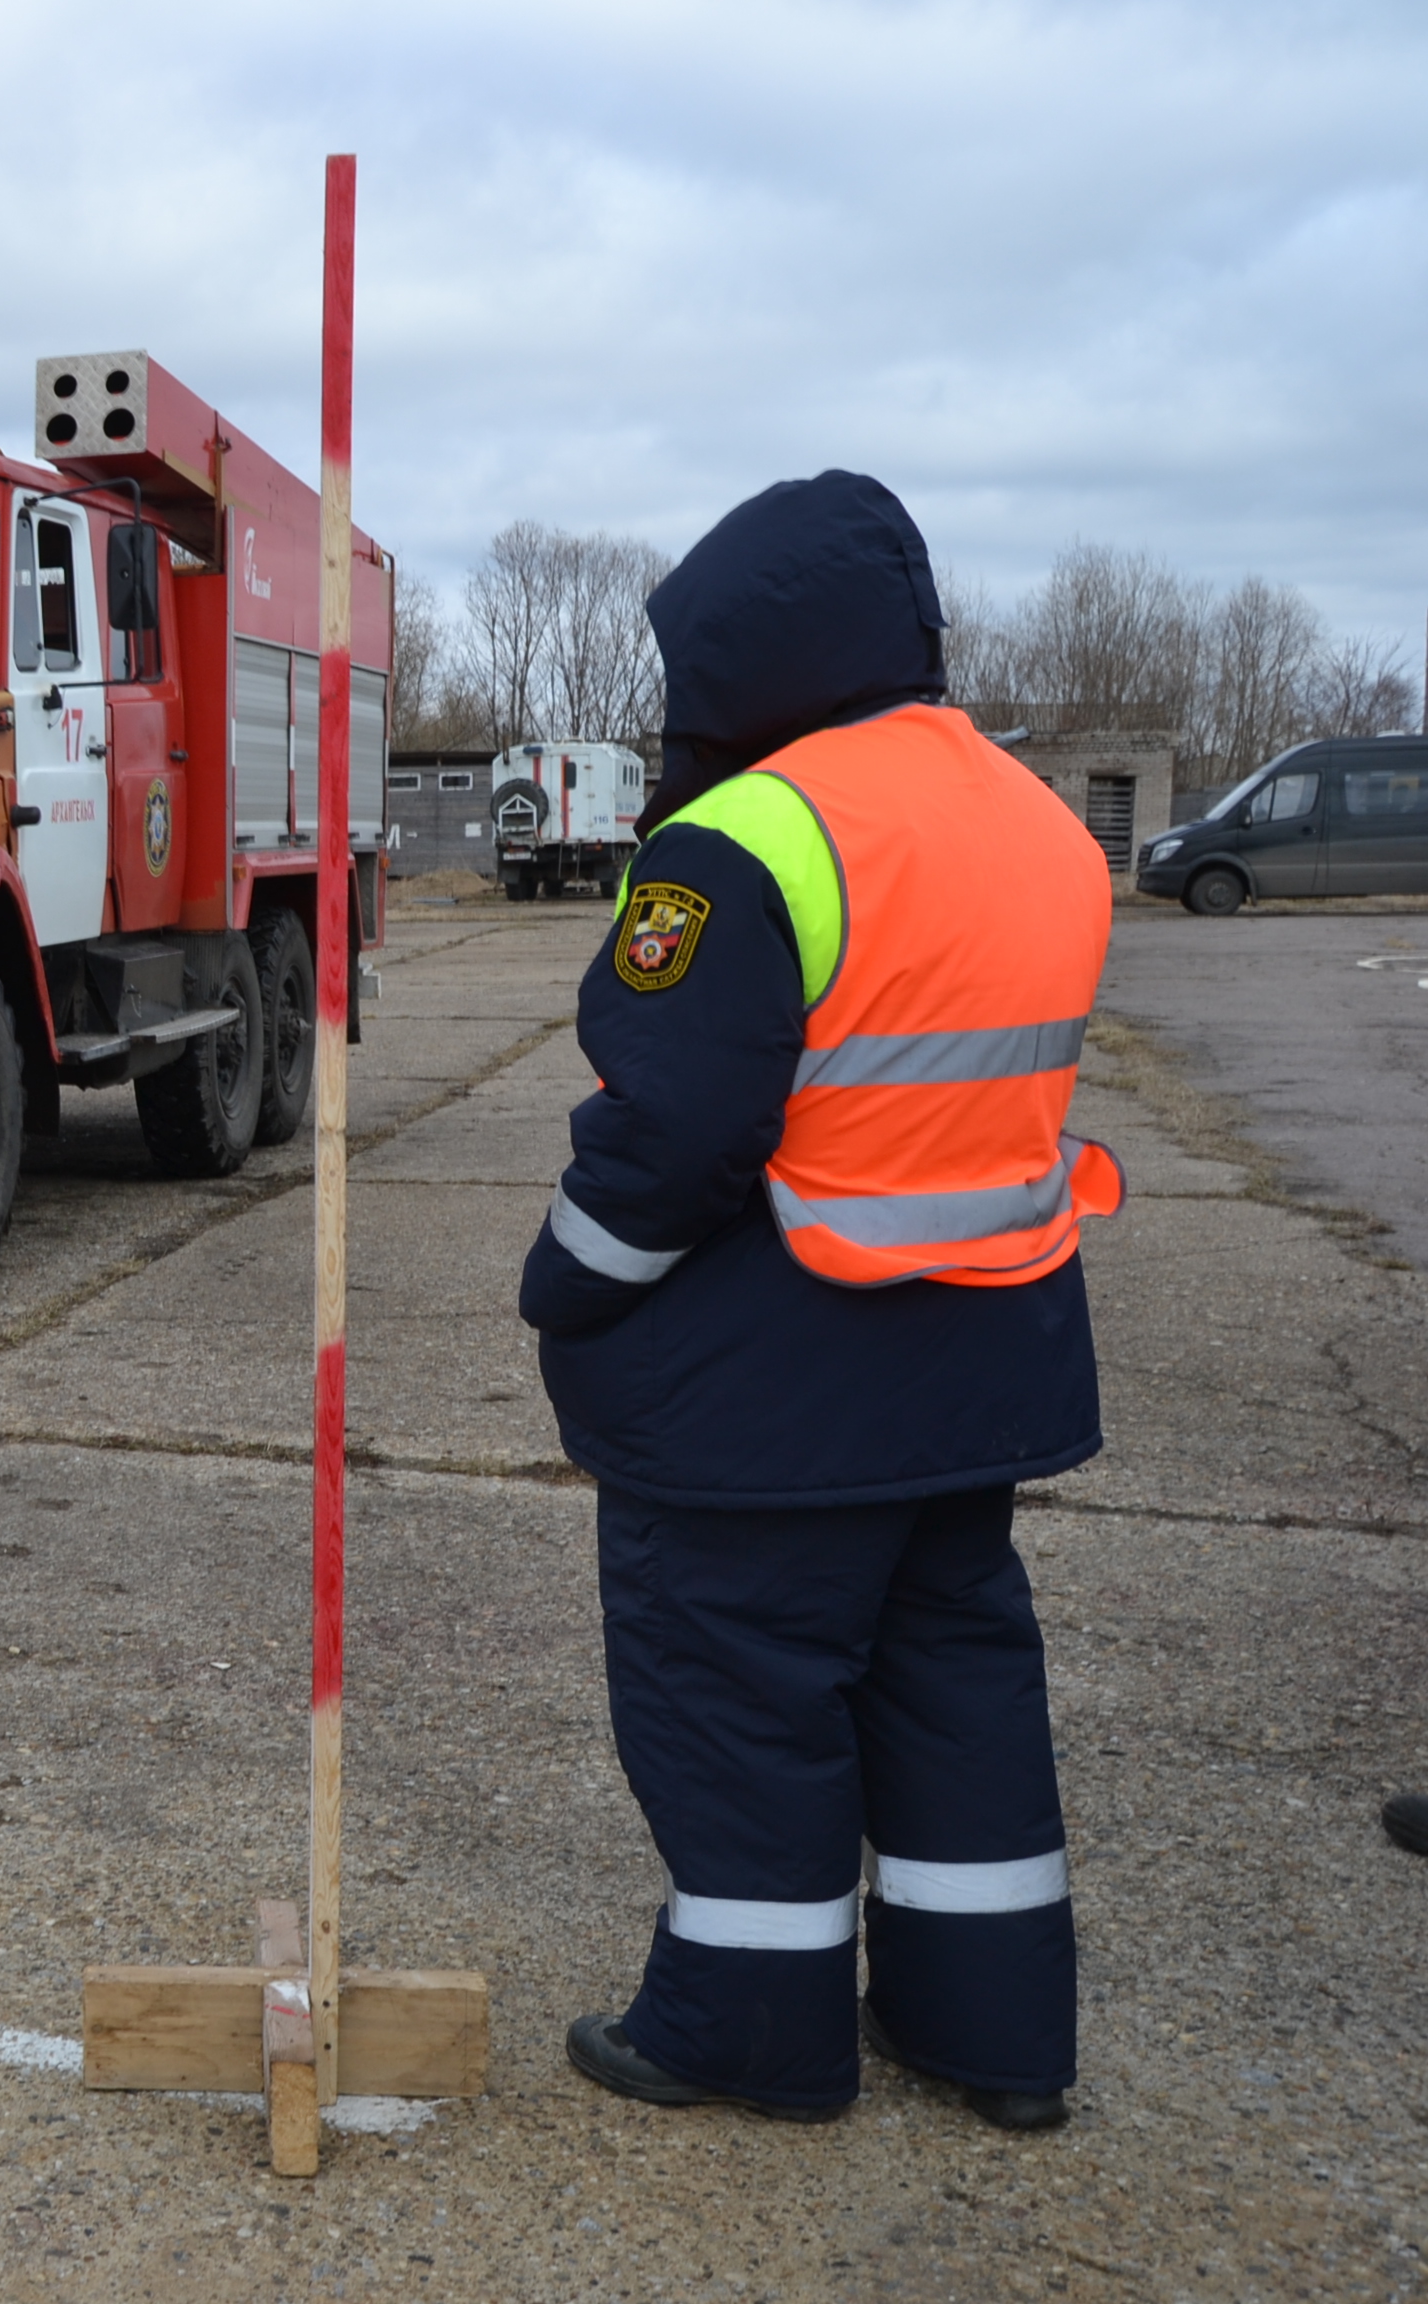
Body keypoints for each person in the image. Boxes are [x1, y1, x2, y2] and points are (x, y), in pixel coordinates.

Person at [522, 471, 1121, 2133]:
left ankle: (747, 2031)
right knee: (956, 1691)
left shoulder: (746, 839)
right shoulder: (1041, 824)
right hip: (981, 1356)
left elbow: (672, 1134)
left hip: (772, 1388)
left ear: (740, 651)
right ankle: (991, 2034)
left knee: (739, 1703)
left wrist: (568, 1285)